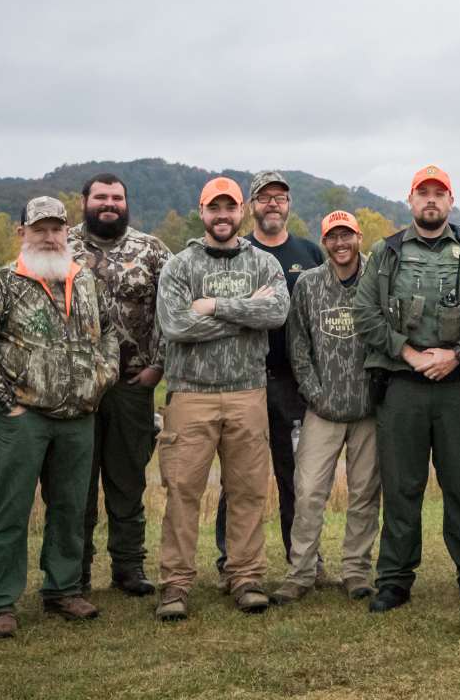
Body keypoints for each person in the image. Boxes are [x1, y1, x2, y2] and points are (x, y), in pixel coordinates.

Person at [0, 196, 120, 638]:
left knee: (72, 508)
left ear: (67, 232)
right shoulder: (2, 283)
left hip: (79, 416)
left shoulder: (87, 281)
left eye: (57, 228)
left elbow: (109, 332)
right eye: (40, 228)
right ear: (22, 234)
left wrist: (102, 377)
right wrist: (5, 401)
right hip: (23, 417)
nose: (49, 237)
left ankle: (63, 589)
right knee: (10, 509)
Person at [353, 165, 460, 613]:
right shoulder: (388, 252)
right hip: (403, 386)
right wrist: (412, 355)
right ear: (411, 200)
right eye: (424, 193)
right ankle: (395, 580)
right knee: (402, 486)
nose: (431, 200)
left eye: (440, 193)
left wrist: (456, 355)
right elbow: (365, 314)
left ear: (451, 201)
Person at [153, 177, 289, 621]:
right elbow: (175, 326)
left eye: (230, 208)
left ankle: (245, 575)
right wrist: (244, 311)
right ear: (203, 212)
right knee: (183, 491)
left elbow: (276, 312)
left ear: (242, 212)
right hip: (190, 394)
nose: (223, 215)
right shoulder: (179, 265)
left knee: (248, 490)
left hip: (247, 392)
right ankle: (175, 583)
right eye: (215, 208)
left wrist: (211, 306)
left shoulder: (265, 264)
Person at [213, 171, 325, 583]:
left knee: (296, 477)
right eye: (264, 198)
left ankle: (304, 562)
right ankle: (231, 563)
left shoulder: (310, 252)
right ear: (250, 207)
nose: (272, 204)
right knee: (239, 477)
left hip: (295, 383)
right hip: (246, 379)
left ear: (289, 205)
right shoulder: (239, 254)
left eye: (280, 197)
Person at [68, 172, 170, 597]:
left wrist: (158, 367)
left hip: (133, 384)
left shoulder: (151, 249)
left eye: (116, 197)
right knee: (76, 483)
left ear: (126, 203)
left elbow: (172, 310)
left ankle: (129, 567)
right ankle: (76, 570)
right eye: (101, 197)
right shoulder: (62, 246)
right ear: (85, 201)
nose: (109, 204)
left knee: (128, 481)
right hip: (76, 388)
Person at [272, 210, 381, 603]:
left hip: (368, 408)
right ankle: (301, 571)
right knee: (309, 490)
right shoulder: (309, 284)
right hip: (322, 408)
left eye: (346, 235)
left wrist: (377, 392)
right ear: (325, 241)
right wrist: (314, 393)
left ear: (358, 237)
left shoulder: (377, 278)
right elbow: (297, 346)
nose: (340, 244)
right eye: (332, 237)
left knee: (365, 493)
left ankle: (356, 571)